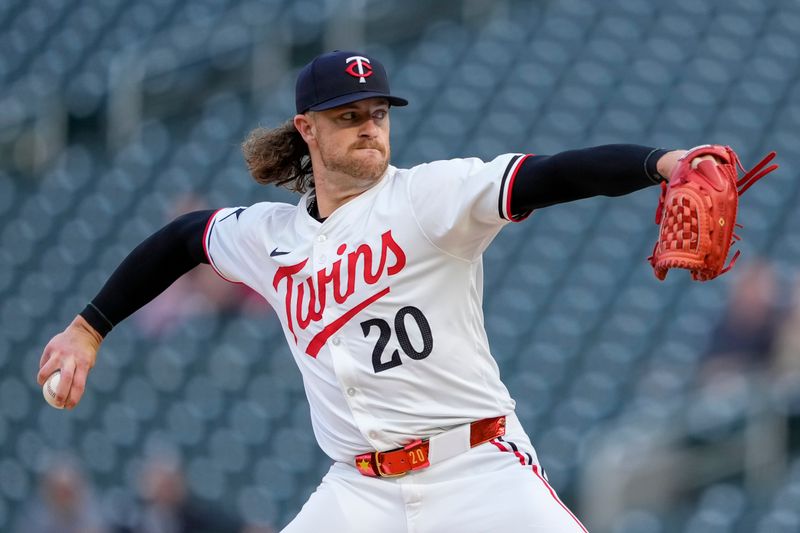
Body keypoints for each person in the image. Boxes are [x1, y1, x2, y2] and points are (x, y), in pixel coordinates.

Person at [39, 50, 710, 532]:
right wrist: (89, 327)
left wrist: (661, 163)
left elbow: (548, 175)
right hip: (360, 490)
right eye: (347, 115)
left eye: (377, 113)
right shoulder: (270, 236)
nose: (369, 125)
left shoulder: (427, 196)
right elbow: (184, 238)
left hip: (476, 467)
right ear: (307, 129)